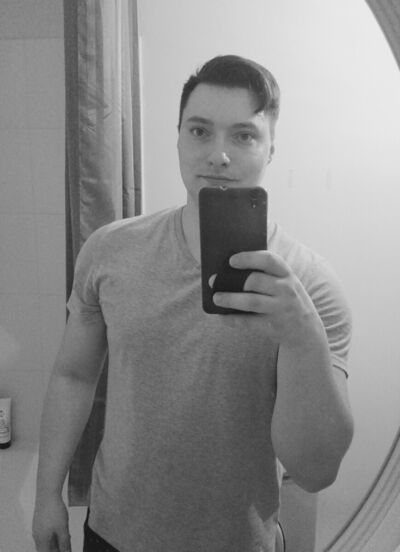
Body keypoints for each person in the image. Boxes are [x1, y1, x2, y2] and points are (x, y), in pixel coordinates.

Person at [32, 55, 354, 552]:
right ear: (179, 138)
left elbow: (315, 472)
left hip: (238, 542)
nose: (218, 155)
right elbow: (74, 375)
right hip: (113, 532)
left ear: (271, 148)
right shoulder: (110, 250)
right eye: (200, 131)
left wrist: (301, 335)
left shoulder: (310, 286)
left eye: (244, 135)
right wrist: (46, 494)